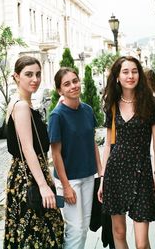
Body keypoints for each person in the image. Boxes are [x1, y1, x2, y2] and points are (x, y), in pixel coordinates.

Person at [98, 56, 155, 249]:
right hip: (115, 172)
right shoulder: (112, 104)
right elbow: (108, 145)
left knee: (142, 243)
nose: (130, 75)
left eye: (134, 71)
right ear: (117, 76)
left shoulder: (150, 104)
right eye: (125, 71)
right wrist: (102, 179)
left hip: (141, 173)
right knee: (118, 233)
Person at [3, 56, 64, 248]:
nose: (34, 79)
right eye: (28, 74)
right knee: (36, 232)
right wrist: (43, 185)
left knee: (37, 232)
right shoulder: (21, 106)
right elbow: (28, 148)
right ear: (16, 76)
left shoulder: (24, 104)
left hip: (28, 173)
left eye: (37, 74)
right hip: (28, 177)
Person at [48, 67, 102, 249]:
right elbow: (55, 154)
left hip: (88, 176)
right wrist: (66, 186)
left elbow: (92, 142)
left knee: (84, 227)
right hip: (69, 180)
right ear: (59, 90)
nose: (73, 86)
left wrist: (100, 174)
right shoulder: (57, 116)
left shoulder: (87, 110)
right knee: (75, 228)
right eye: (67, 84)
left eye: (75, 81)